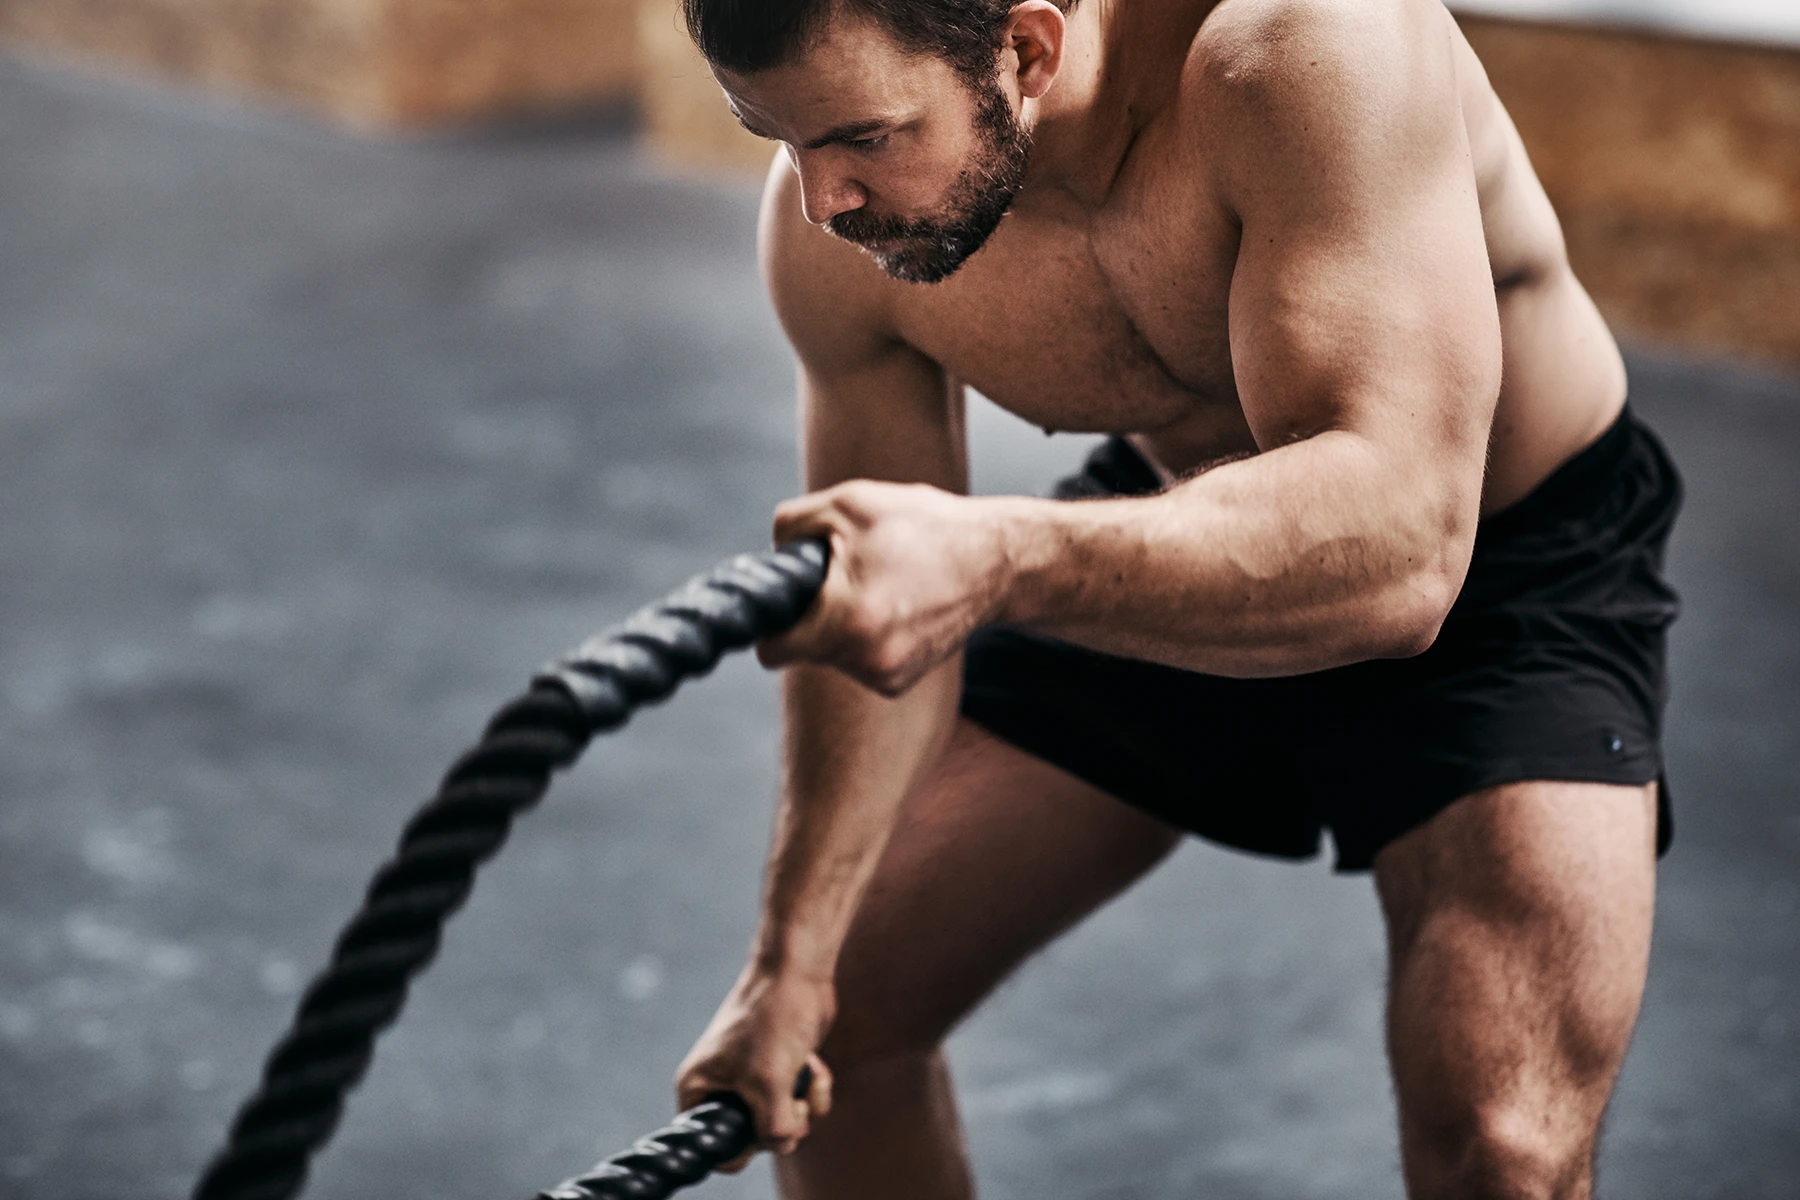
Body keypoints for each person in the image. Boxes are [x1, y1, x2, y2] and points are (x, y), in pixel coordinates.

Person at [670, 0, 1683, 1196]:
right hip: (1167, 529)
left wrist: (996, 561)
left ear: (1027, 49)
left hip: (1499, 568)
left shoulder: (1307, 46)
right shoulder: (836, 247)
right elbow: (880, 624)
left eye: (865, 138)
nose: (820, 201)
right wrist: (787, 960)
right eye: (776, 140)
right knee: (830, 1034)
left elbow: (1406, 551)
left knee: (1507, 1151)